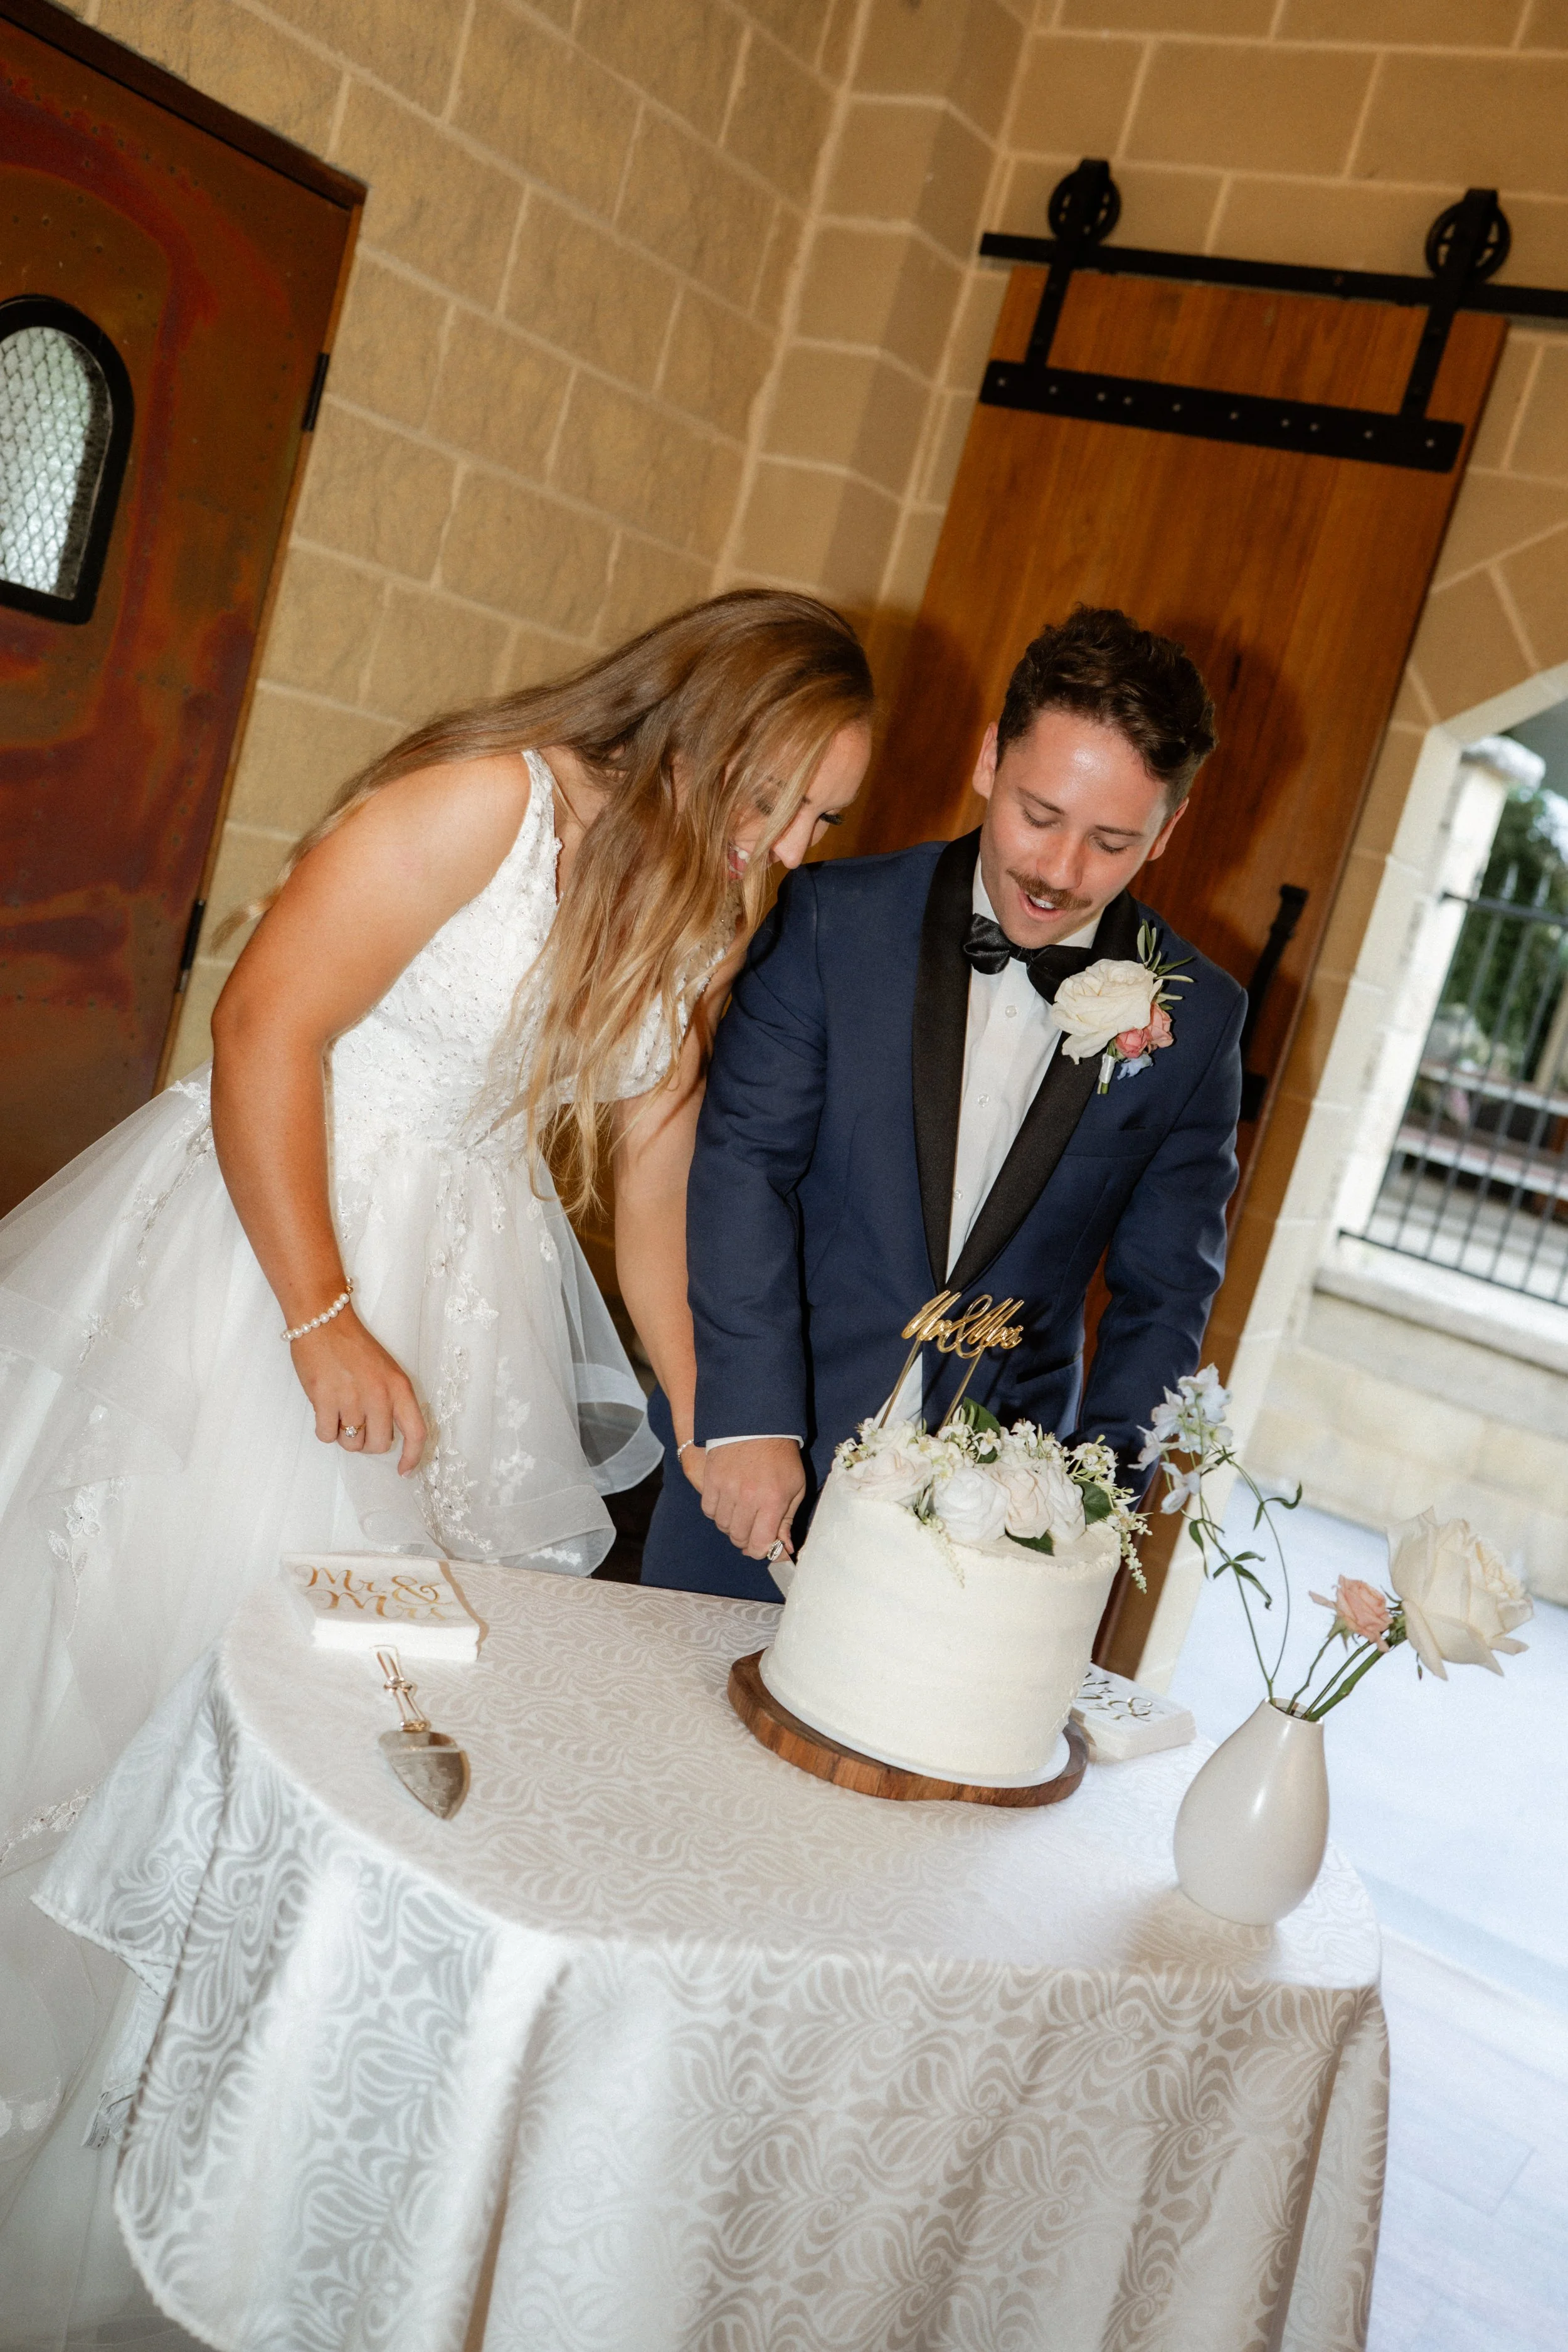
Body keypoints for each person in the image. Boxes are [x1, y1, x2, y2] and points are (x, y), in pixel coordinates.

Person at [0, 590, 872, 2337]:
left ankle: (186, 2161)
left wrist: (713, 1416)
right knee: (149, 1679)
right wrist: (321, 1312)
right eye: (771, 793)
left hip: (458, 1313)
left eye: (823, 818)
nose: (784, 843)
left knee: (354, 1756)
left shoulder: (712, 891)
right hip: (265, 1260)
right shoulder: (492, 795)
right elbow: (266, 1027)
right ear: (692, 719)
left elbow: (648, 1175)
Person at [643, 605, 1244, 1599]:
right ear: (986, 759)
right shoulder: (831, 918)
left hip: (989, 1536)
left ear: (1169, 830)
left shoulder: (1199, 1017)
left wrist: (1089, 1508)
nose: (1058, 871)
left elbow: (1166, 1296)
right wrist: (750, 1416)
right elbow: (745, 1159)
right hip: (761, 1466)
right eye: (1038, 814)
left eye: (1110, 841)